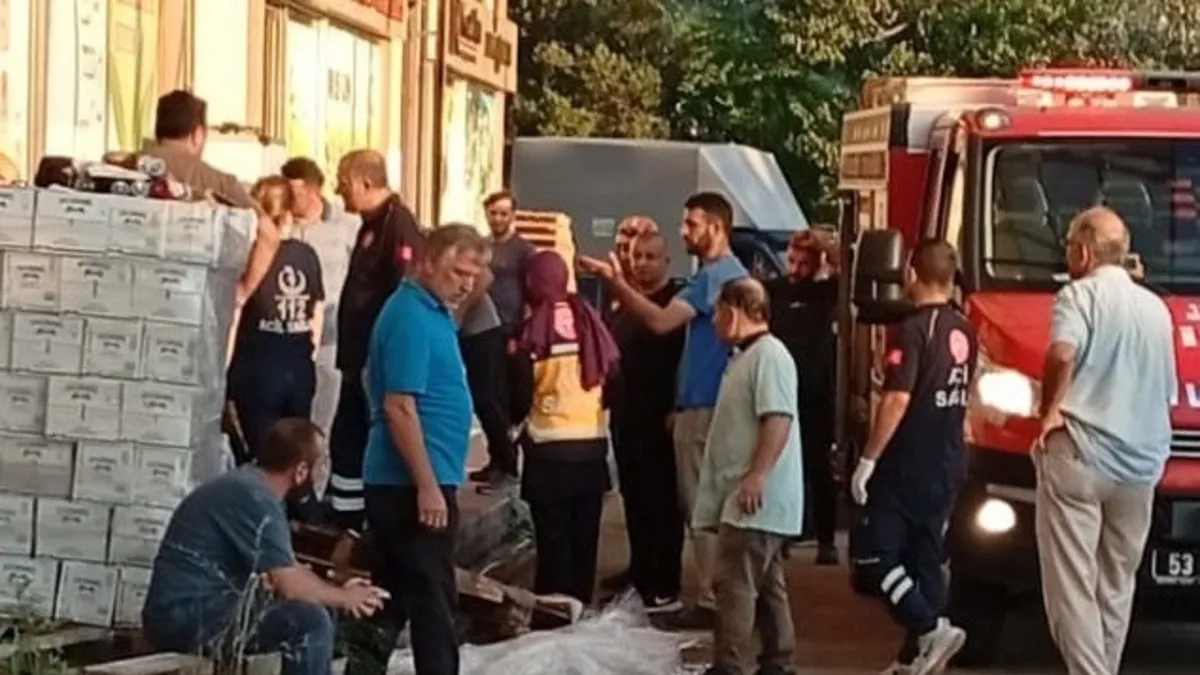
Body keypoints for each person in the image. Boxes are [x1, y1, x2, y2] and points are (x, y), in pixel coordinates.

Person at [580, 191, 748, 618]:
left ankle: (708, 599)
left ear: (716, 227)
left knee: (700, 510)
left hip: (704, 408)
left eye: (691, 224)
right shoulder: (715, 276)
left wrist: (615, 281)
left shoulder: (718, 277)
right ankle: (694, 591)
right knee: (693, 507)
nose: (683, 231)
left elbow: (660, 322)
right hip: (689, 406)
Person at [1035, 207, 1174, 675]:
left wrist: (1049, 410)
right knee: (1116, 586)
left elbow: (1061, 354)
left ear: (1084, 252)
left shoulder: (1078, 296)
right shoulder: (1156, 309)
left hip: (1082, 452)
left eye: (1069, 245)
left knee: (1071, 587)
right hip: (1140, 466)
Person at [349, 224, 488, 675]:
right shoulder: (409, 316)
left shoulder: (433, 310)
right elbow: (399, 407)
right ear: (427, 263)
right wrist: (427, 486)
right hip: (409, 484)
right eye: (458, 272)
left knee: (390, 596)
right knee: (433, 600)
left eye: (472, 275)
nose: (466, 284)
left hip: (414, 478)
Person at [142, 419, 387, 675]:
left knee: (322, 609)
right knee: (309, 622)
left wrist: (339, 587)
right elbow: (290, 585)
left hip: (205, 607)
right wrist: (346, 598)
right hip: (181, 615)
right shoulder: (252, 496)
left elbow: (288, 571)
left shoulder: (254, 489)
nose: (323, 472)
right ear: (301, 470)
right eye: (322, 463)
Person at [848, 239, 978, 675]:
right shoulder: (965, 327)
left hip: (908, 461)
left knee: (875, 555)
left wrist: (868, 459)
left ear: (911, 273)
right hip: (948, 460)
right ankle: (914, 657)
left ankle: (928, 628)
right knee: (926, 558)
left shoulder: (913, 329)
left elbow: (897, 399)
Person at [694, 277, 802, 675]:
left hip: (753, 499)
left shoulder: (768, 357)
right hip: (751, 497)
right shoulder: (749, 357)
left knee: (734, 587)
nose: (714, 321)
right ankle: (778, 661)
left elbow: (777, 418)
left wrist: (757, 475)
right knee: (768, 587)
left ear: (733, 311)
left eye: (717, 312)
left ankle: (729, 666)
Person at [327, 149, 426, 532]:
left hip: (374, 360)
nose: (338, 191)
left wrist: (382, 357)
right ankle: (346, 514)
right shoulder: (371, 224)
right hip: (358, 357)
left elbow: (402, 294)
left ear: (364, 182)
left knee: (363, 437)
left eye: (343, 183)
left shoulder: (397, 224)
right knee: (347, 437)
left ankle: (366, 519)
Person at [518, 250, 619, 604]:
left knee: (554, 541)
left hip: (548, 451)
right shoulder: (589, 319)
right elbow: (612, 375)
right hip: (591, 446)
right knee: (584, 538)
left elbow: (519, 393)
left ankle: (555, 610)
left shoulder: (534, 330)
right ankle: (580, 606)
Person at [225, 176, 325, 521]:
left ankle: (265, 521)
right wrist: (306, 353)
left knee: (263, 455)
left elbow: (235, 313)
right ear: (289, 215)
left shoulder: (249, 256)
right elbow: (316, 311)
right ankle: (304, 519)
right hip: (297, 365)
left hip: (257, 367)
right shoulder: (306, 255)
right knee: (298, 451)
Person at [146, 90, 281, 333]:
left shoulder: (124, 170)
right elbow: (268, 234)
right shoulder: (218, 183)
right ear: (197, 134)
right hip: (195, 311)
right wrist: (241, 292)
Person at [607, 230, 686, 611]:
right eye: (636, 256)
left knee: (662, 501)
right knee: (634, 497)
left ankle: (664, 581)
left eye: (650, 257)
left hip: (660, 417)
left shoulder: (675, 305)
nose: (641, 263)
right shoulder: (624, 303)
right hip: (626, 415)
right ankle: (638, 571)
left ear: (666, 261)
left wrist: (678, 406)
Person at [766, 226, 841, 565]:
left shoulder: (826, 293)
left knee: (818, 466)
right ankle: (781, 535)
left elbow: (845, 273)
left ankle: (826, 539)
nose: (795, 270)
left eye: (804, 264)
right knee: (779, 464)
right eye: (792, 261)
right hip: (780, 391)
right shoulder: (775, 291)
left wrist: (826, 248)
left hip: (815, 393)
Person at [280, 157, 360, 439]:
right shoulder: (281, 225)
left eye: (296, 192)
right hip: (289, 333)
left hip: (330, 336)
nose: (290, 199)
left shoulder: (347, 225)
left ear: (314, 190)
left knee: (321, 422)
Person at [474, 189, 537, 486]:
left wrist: (522, 333)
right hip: (484, 331)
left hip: (511, 331)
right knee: (489, 396)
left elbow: (531, 293)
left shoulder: (524, 250)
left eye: (503, 213)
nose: (498, 218)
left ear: (512, 215)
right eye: (493, 213)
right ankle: (496, 457)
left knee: (511, 399)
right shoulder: (481, 246)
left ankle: (509, 461)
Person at [455, 263, 517, 492]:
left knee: (485, 398)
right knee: (483, 399)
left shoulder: (455, 252)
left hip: (482, 330)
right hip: (473, 330)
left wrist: (460, 311)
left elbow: (486, 276)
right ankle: (498, 461)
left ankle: (508, 464)